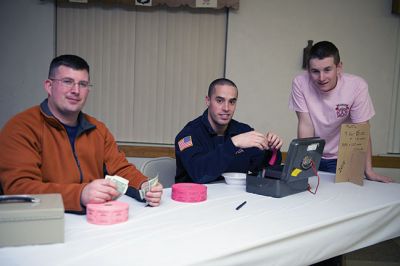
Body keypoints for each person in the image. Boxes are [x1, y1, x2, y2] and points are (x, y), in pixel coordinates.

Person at [0, 54, 163, 213]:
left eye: (83, 84)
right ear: (49, 86)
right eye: (67, 82)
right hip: (45, 221)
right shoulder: (21, 127)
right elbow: (20, 189)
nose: (76, 90)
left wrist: (144, 185)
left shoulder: (98, 129)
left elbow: (120, 169)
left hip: (95, 218)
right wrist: (80, 194)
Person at [289, 41, 392, 183]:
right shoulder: (300, 84)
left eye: (327, 70)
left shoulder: (356, 86)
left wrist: (369, 171)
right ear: (308, 70)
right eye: (315, 71)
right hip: (314, 154)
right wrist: (304, 164)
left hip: (343, 157)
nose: (321, 78)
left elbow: (361, 130)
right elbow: (306, 125)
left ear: (339, 67)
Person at [175, 78, 283, 184]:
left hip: (235, 198)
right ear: (208, 101)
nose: (226, 108)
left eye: (232, 102)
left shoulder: (243, 131)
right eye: (219, 101)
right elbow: (199, 174)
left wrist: (272, 150)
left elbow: (262, 170)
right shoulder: (188, 135)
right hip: (195, 199)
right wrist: (233, 144)